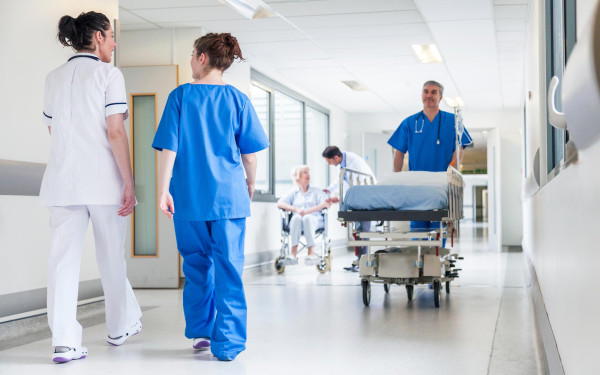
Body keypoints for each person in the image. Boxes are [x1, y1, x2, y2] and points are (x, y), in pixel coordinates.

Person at [152, 33, 269, 362]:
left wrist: (163, 190)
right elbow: (250, 155)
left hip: (189, 197)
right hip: (229, 199)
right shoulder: (238, 99)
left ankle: (202, 332)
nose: (190, 60)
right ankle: (228, 343)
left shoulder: (180, 97)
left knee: (196, 266)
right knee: (229, 268)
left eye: (192, 55)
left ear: (203, 58)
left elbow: (169, 147)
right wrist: (249, 184)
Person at [41, 11, 142, 363]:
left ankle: (64, 343)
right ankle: (119, 327)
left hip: (62, 182)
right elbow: (115, 131)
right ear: (98, 37)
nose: (114, 43)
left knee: (61, 262)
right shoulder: (108, 74)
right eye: (112, 35)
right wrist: (128, 181)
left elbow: (54, 132)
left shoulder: (53, 78)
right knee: (111, 256)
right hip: (102, 181)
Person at [387, 80, 472, 232]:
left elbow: (459, 149)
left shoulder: (452, 121)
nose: (429, 95)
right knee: (418, 230)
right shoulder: (410, 122)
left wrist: (451, 169)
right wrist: (396, 178)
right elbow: (399, 152)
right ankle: (419, 256)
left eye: (434, 92)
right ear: (421, 95)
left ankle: (436, 256)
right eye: (426, 91)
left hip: (441, 183)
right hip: (417, 184)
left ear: (440, 97)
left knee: (439, 229)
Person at [322, 146, 376, 272]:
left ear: (336, 157)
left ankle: (364, 262)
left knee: (363, 231)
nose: (330, 164)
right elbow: (341, 180)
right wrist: (329, 190)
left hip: (365, 198)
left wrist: (340, 199)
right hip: (357, 200)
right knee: (358, 231)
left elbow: (355, 185)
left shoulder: (354, 162)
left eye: (330, 162)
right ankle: (359, 261)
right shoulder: (343, 162)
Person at [277, 166, 331, 265]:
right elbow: (280, 203)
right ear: (297, 177)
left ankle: (311, 252)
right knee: (297, 217)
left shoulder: (316, 191)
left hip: (314, 221)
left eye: (308, 172)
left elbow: (327, 203)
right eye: (305, 172)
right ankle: (293, 253)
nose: (308, 175)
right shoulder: (293, 192)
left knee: (307, 218)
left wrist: (309, 211)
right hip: (296, 223)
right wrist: (296, 209)